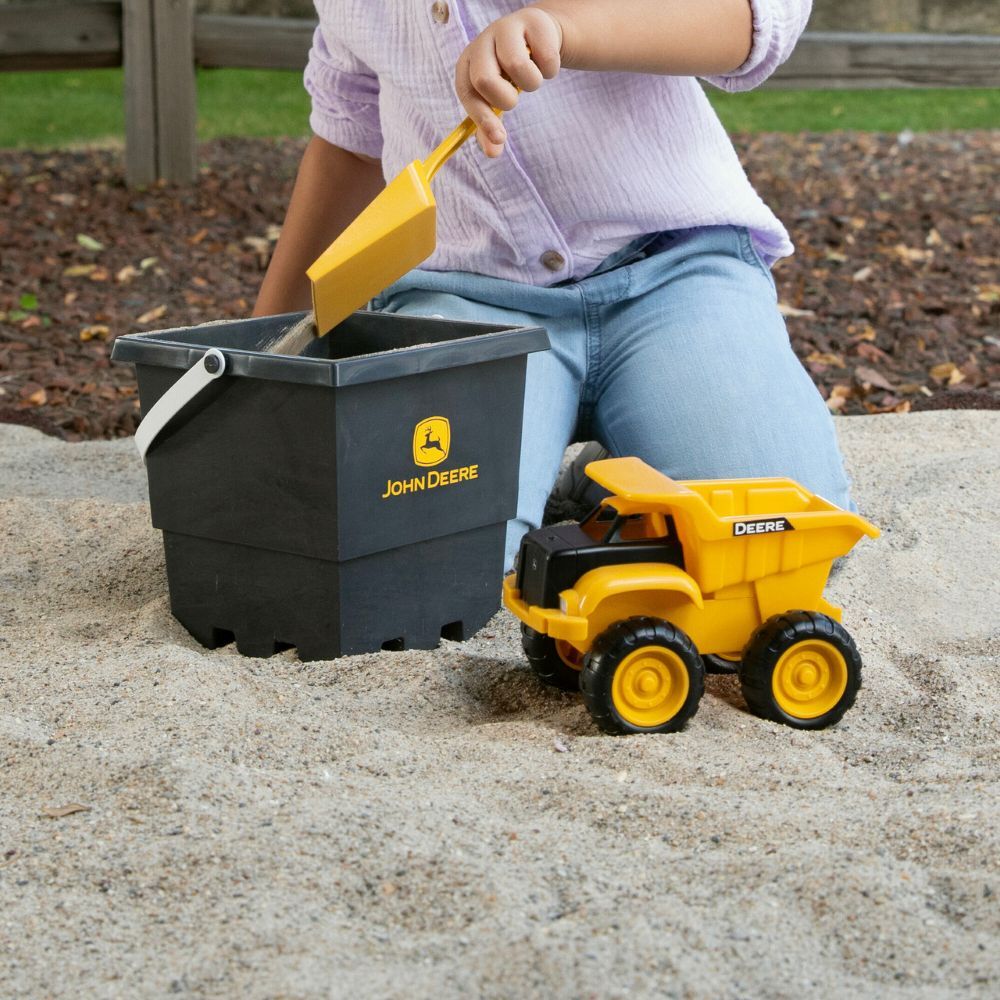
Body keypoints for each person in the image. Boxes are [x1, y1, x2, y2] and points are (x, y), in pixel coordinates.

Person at [254, 0, 852, 570]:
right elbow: (350, 147)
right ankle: (610, 449)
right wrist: (259, 359)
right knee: (426, 568)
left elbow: (752, 20)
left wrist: (565, 27)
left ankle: (616, 453)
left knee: (781, 537)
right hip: (467, 303)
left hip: (674, 275)